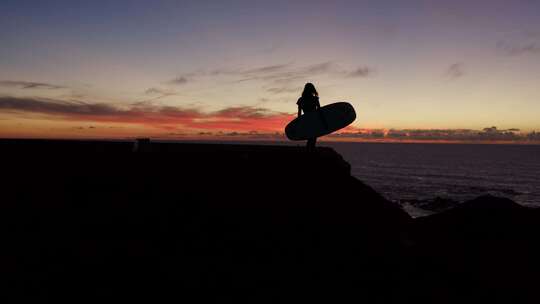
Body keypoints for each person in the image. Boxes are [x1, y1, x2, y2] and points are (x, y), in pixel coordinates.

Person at [297, 83, 321, 150]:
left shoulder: (301, 99)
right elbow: (319, 110)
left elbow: (299, 113)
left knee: (311, 137)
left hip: (306, 120)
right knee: (313, 137)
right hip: (314, 120)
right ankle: (310, 151)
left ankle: (309, 150)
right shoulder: (315, 99)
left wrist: (299, 122)